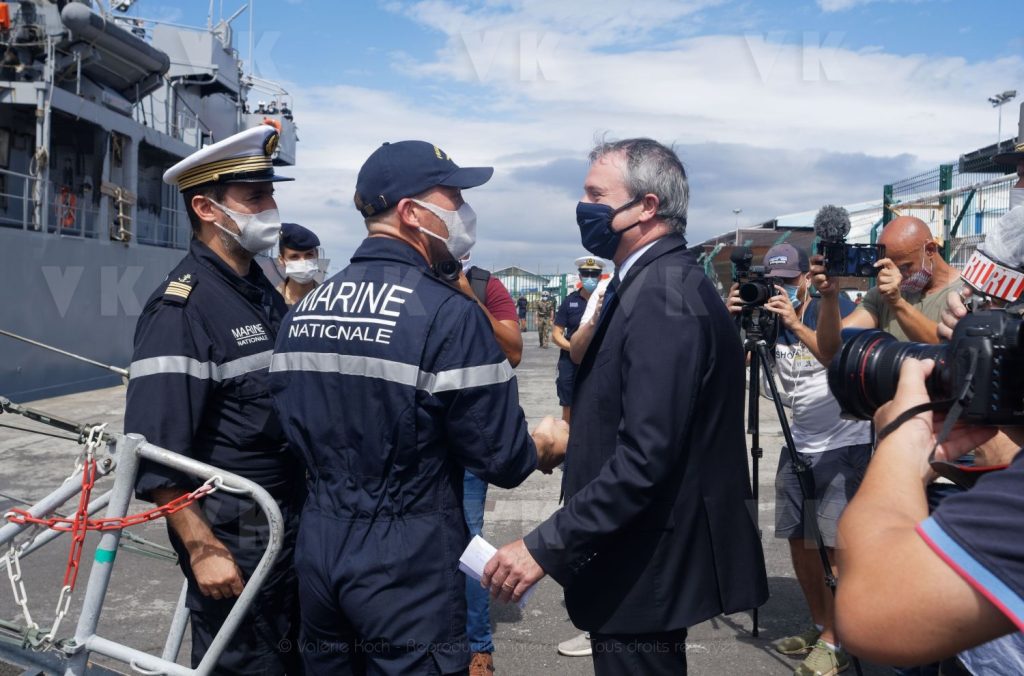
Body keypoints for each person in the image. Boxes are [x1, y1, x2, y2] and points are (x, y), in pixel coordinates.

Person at [268, 140, 566, 675]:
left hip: (318, 546)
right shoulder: (449, 314)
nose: (463, 211)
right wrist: (546, 443)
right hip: (406, 560)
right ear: (411, 212)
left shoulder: (305, 308)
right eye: (452, 197)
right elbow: (501, 458)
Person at [483, 137, 768, 675]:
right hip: (635, 554)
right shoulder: (652, 280)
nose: (584, 207)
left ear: (646, 206)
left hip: (646, 564)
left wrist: (542, 546)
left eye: (596, 194)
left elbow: (647, 458)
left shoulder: (664, 295)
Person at [125, 124, 304, 673]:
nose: (270, 207)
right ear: (206, 207)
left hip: (286, 520)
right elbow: (155, 456)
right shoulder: (181, 310)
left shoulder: (259, 293)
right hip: (235, 532)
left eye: (271, 193)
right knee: (246, 662)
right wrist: (201, 546)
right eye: (255, 198)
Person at [727, 243, 872, 676]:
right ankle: (820, 624)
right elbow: (730, 369)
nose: (781, 290)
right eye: (774, 283)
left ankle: (838, 640)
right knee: (799, 540)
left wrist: (793, 320)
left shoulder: (833, 304)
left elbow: (836, 354)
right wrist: (730, 320)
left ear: (805, 279)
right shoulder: (763, 317)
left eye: (790, 281)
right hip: (801, 442)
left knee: (831, 543)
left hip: (844, 440)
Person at [457, 254, 522, 676]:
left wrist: (468, 297)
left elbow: (513, 351)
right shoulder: (400, 283)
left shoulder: (484, 286)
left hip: (467, 438)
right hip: (411, 436)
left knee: (469, 538)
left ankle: (478, 644)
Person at [813, 215, 961, 365]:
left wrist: (897, 303)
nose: (898, 276)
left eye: (904, 267)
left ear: (930, 250)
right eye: (889, 267)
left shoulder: (966, 294)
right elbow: (831, 350)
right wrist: (829, 296)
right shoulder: (881, 295)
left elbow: (949, 352)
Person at [551, 257, 604, 423]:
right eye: (586, 274)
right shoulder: (570, 301)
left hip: (597, 358)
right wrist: (574, 348)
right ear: (580, 277)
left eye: (594, 274)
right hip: (570, 359)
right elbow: (556, 334)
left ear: (600, 276)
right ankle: (567, 436)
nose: (590, 277)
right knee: (567, 399)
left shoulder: (605, 300)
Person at [276, 222, 322, 306]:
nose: (303, 262)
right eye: (294, 257)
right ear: (281, 260)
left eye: (309, 255)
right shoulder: (271, 300)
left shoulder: (329, 300)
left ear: (317, 255)